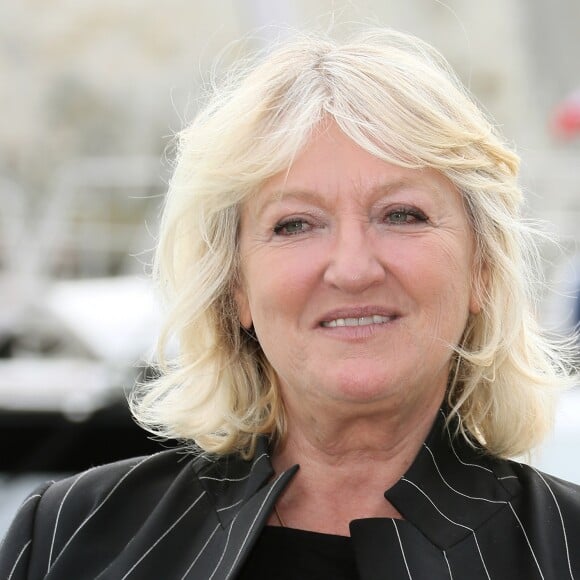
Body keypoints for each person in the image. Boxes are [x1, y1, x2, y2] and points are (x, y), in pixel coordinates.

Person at [1, 27, 579, 580]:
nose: (353, 268)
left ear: (480, 269)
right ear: (235, 287)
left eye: (402, 214)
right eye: (295, 224)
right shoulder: (65, 537)